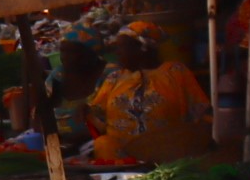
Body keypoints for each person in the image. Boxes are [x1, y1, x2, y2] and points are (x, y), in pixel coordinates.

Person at [86, 20, 212, 160]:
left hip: (168, 156)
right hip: (121, 159)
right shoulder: (114, 78)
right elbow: (98, 118)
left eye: (122, 47)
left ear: (142, 47)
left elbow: (202, 115)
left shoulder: (175, 73)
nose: (117, 53)